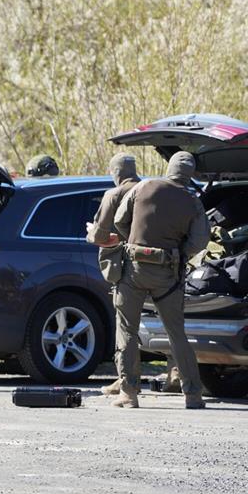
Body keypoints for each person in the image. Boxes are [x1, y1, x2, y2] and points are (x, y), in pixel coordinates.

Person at [111, 151, 210, 409]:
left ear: (169, 168)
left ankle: (129, 393)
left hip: (133, 269)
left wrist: (134, 240)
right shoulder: (193, 202)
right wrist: (178, 254)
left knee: (127, 331)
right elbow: (200, 241)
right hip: (168, 272)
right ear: (190, 174)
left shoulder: (144, 186)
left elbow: (120, 220)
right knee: (176, 333)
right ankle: (193, 395)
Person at [87, 153, 141, 396]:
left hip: (126, 268)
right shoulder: (150, 190)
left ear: (115, 173)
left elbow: (99, 236)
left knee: (126, 327)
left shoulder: (114, 194)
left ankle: (126, 383)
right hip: (162, 267)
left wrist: (92, 234)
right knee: (166, 326)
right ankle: (176, 375)